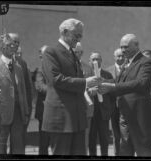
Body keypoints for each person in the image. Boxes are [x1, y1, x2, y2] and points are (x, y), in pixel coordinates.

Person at [41, 18, 100, 155]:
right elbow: (56, 80)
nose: (79, 39)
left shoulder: (72, 53)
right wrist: (85, 82)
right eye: (77, 35)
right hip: (61, 119)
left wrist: (91, 86)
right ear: (65, 32)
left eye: (81, 36)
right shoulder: (51, 52)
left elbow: (74, 82)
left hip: (77, 119)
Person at [99, 34, 151, 156]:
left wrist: (112, 87)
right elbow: (118, 82)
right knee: (125, 150)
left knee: (143, 149)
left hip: (139, 116)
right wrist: (101, 83)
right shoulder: (126, 62)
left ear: (136, 45)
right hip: (124, 115)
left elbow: (141, 83)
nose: (123, 50)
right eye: (121, 47)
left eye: (126, 47)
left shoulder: (145, 62)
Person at [0, 33, 29, 154]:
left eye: (15, 45)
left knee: (18, 148)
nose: (13, 47)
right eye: (9, 44)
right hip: (2, 113)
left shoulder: (18, 67)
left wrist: (25, 111)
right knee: (0, 147)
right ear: (2, 46)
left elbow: (23, 91)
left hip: (18, 113)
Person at [88, 52, 115, 156]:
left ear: (101, 61)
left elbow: (113, 93)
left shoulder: (107, 74)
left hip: (103, 112)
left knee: (104, 139)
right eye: (93, 59)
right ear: (90, 61)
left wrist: (110, 109)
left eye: (98, 59)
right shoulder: (86, 74)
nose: (95, 61)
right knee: (91, 138)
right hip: (91, 112)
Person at [73, 42, 94, 155]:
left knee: (84, 139)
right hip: (71, 109)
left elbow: (94, 86)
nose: (77, 54)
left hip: (86, 109)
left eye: (79, 52)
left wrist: (90, 91)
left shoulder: (88, 68)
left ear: (82, 53)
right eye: (75, 52)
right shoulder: (66, 67)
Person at [106, 48, 125, 156]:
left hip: (127, 107)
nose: (120, 58)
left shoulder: (129, 69)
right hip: (113, 107)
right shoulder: (108, 71)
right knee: (116, 135)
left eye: (122, 56)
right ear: (114, 57)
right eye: (118, 56)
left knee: (126, 134)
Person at [34, 45, 50, 155]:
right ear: (41, 56)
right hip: (44, 112)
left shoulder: (54, 69)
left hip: (54, 111)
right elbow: (40, 86)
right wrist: (55, 90)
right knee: (44, 142)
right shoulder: (40, 70)